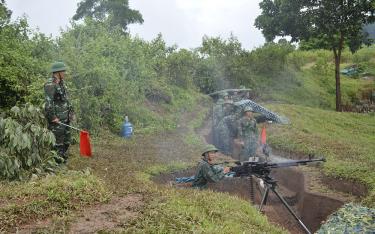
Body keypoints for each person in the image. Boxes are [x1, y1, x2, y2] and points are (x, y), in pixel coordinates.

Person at [44, 61, 74, 163]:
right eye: (63, 71)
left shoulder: (61, 83)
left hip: (65, 118)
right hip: (57, 119)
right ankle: (56, 164)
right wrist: (53, 117)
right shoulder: (50, 84)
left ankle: (63, 160)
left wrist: (71, 113)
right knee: (58, 143)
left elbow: (66, 99)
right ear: (58, 72)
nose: (65, 73)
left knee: (66, 141)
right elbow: (48, 103)